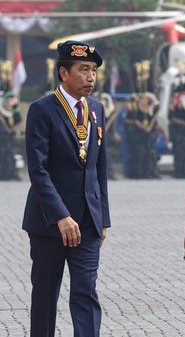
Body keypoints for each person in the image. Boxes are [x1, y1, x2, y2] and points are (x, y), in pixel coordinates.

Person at [22, 40, 110, 337]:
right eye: (83, 69)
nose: (91, 77)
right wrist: (60, 215)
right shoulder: (42, 110)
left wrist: (103, 219)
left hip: (87, 221)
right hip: (50, 223)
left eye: (94, 70)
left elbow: (100, 168)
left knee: (86, 293)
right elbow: (39, 170)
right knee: (45, 295)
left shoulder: (96, 109)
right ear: (63, 73)